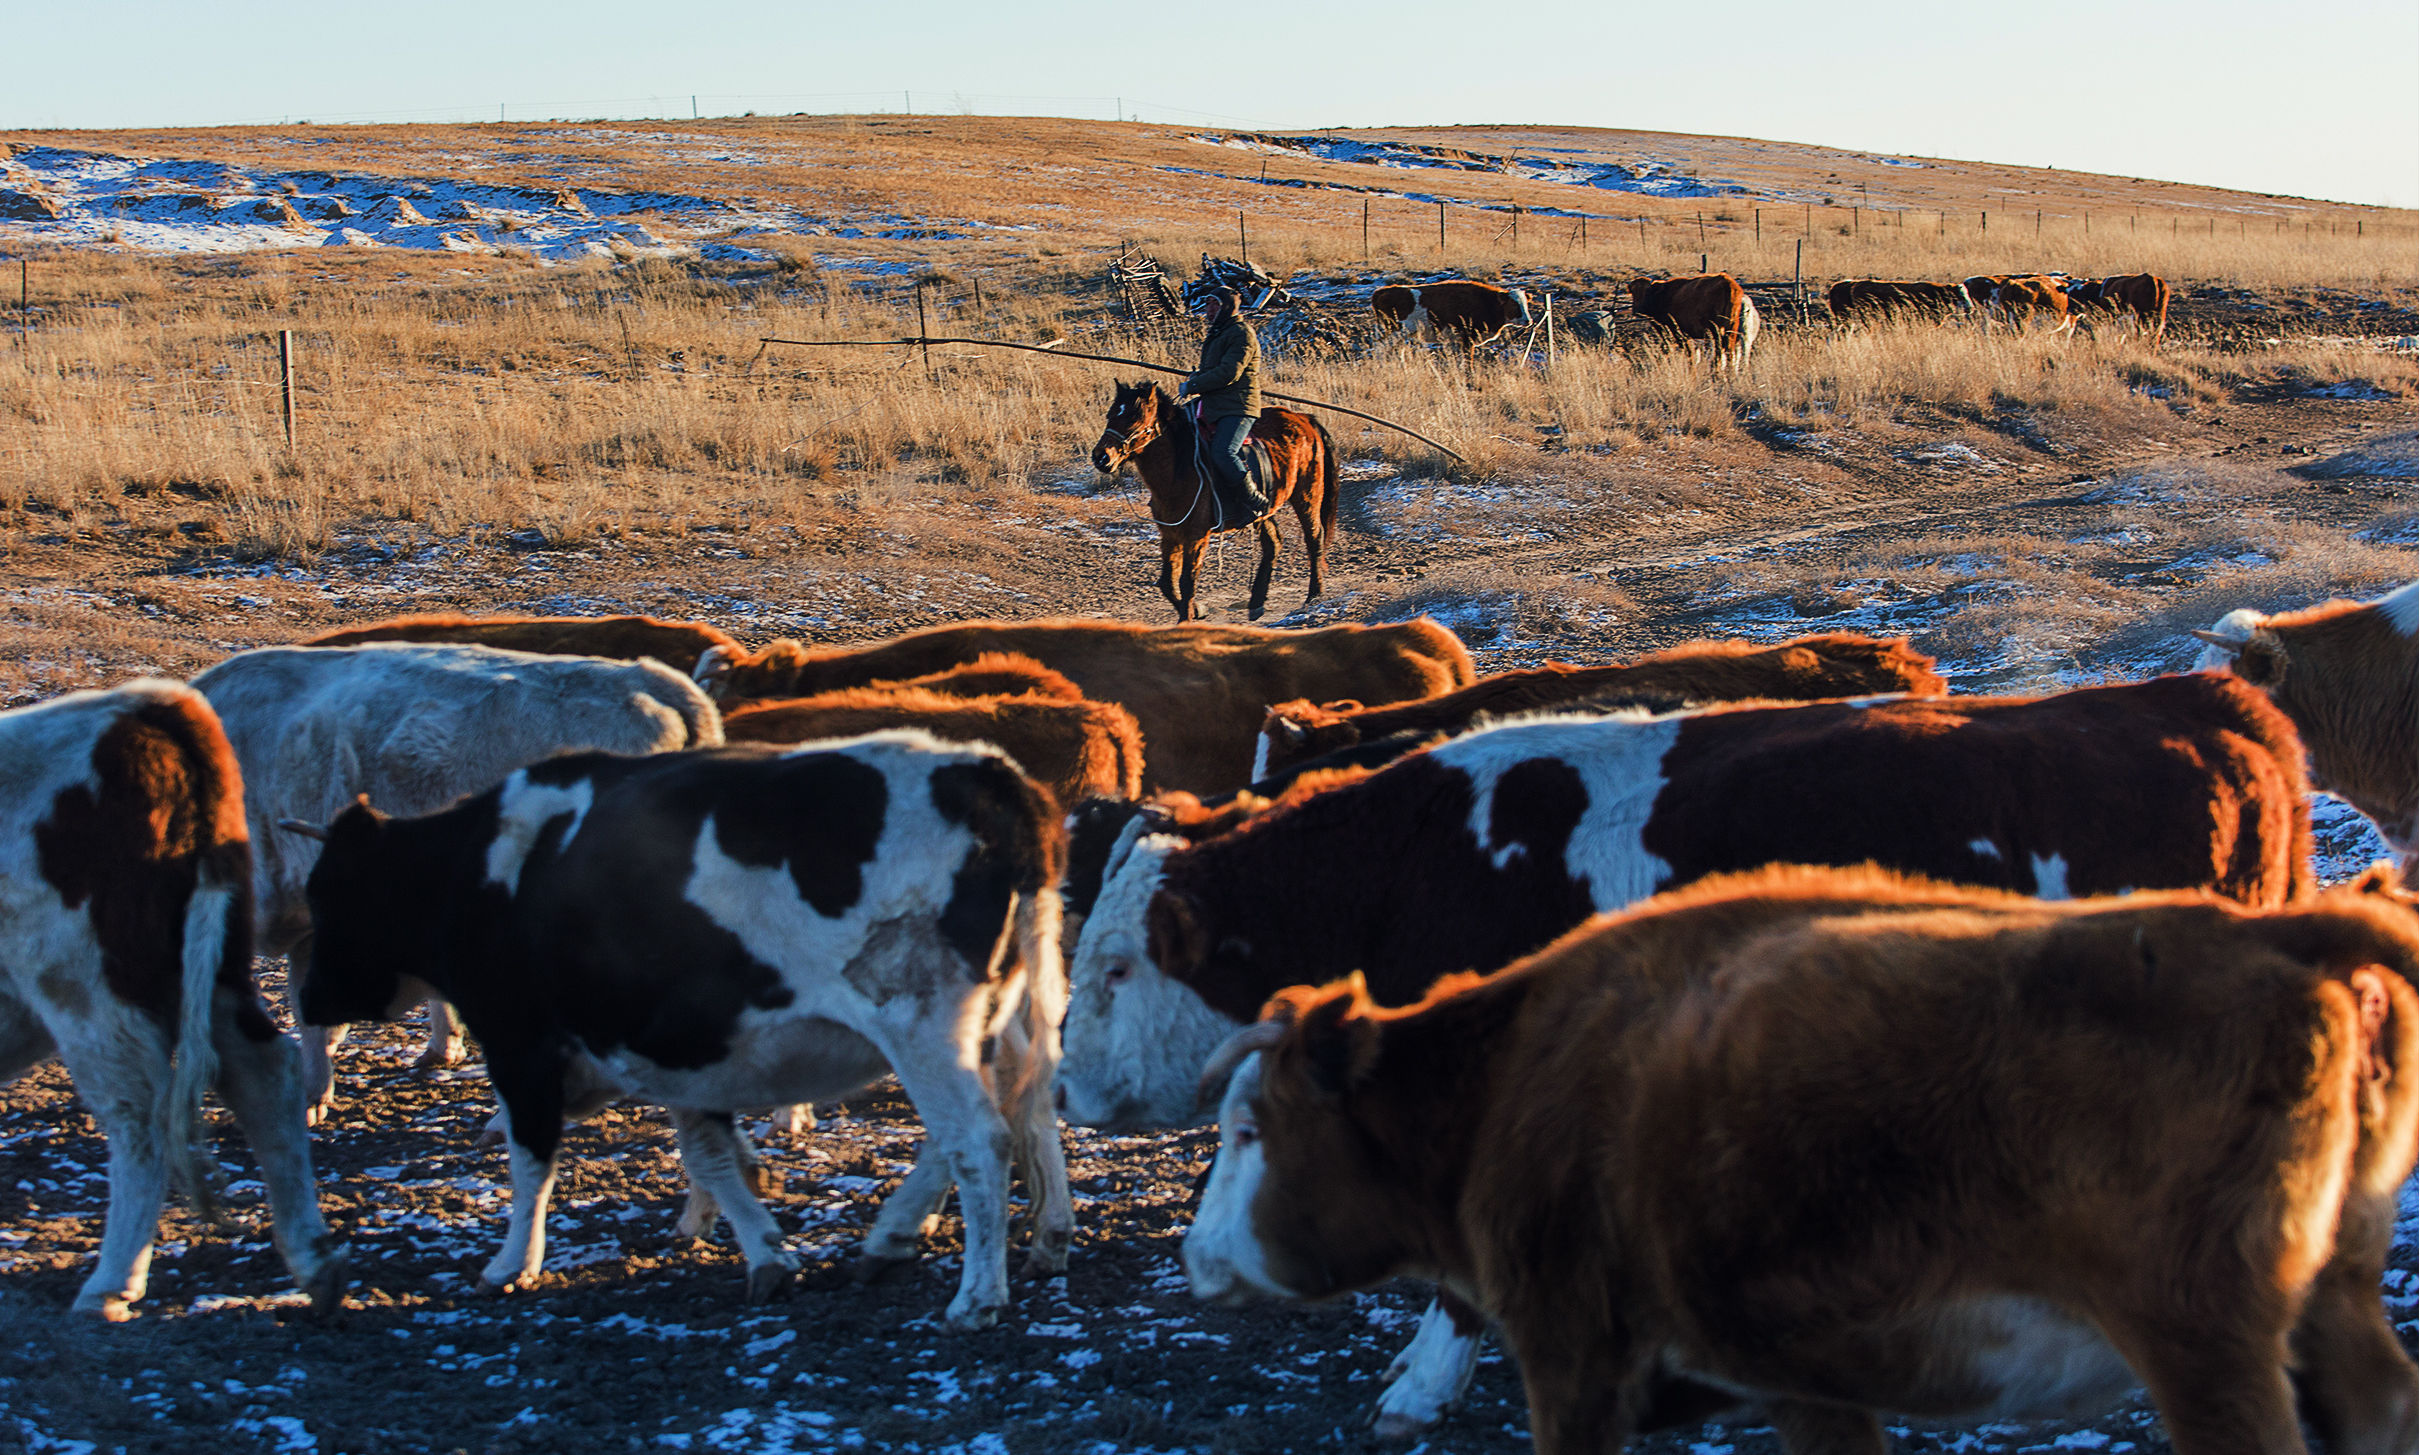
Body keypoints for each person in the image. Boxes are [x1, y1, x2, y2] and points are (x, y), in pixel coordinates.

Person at [1180, 287, 1273, 525]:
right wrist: (1197, 377)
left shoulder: (1242, 333)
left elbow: (1229, 372)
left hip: (1238, 405)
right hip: (1214, 402)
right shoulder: (1219, 333)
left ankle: (1254, 499)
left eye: (1214, 304)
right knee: (1175, 430)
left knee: (1223, 451)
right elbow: (1215, 369)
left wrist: (1194, 385)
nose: (1209, 310)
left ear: (1227, 307)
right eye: (1208, 304)